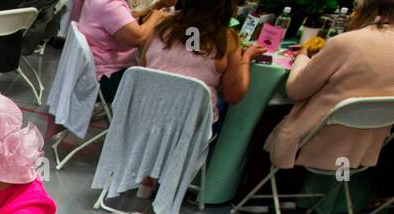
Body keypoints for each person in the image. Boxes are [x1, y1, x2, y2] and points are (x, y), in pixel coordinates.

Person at [264, 0, 394, 174]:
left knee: (268, 112)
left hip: (313, 141)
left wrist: (302, 57)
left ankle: (269, 192)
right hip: (363, 148)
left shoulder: (346, 42)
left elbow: (296, 91)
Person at [141, 0, 259, 132]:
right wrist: (246, 58)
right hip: (188, 129)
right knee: (226, 112)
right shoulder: (227, 39)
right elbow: (234, 95)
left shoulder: (161, 27)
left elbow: (141, 71)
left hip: (144, 116)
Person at [76, 0, 173, 102]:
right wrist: (157, 16)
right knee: (161, 89)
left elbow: (124, 20)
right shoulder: (109, 5)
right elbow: (139, 38)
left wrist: (152, 9)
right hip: (105, 78)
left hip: (95, 69)